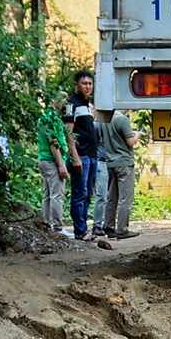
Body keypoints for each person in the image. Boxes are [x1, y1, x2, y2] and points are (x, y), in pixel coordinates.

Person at [64, 70, 102, 242]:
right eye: (84, 83)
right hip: (81, 156)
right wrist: (75, 156)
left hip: (92, 155)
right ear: (76, 85)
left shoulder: (87, 105)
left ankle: (84, 228)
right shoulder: (71, 104)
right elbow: (68, 132)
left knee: (88, 194)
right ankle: (80, 230)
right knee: (79, 193)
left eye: (90, 83)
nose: (87, 86)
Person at [96, 105, 137, 246]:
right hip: (124, 162)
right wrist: (137, 135)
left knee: (111, 197)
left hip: (111, 162)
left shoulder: (105, 119)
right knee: (125, 198)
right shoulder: (123, 119)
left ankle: (109, 226)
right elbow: (130, 142)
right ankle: (122, 229)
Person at [33, 98, 73, 236]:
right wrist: (61, 164)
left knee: (47, 194)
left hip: (43, 159)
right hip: (51, 161)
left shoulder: (44, 117)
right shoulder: (52, 118)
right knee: (56, 195)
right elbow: (53, 141)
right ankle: (57, 227)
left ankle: (46, 224)